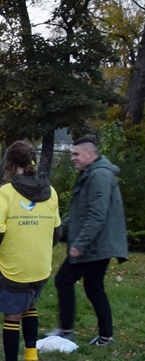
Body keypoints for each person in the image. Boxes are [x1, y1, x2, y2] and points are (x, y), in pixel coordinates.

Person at [0, 141, 61, 361]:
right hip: (40, 266)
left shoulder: (7, 192)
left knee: (12, 314)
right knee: (30, 305)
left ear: (10, 164)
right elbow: (58, 232)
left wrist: (0, 248)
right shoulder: (51, 191)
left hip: (14, 266)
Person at [49, 137, 128, 346]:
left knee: (63, 280)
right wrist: (57, 230)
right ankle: (105, 336)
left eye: (76, 154)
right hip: (99, 245)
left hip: (95, 246)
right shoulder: (89, 174)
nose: (72, 158)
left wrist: (79, 244)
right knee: (94, 287)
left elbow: (97, 215)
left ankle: (66, 331)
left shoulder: (99, 175)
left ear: (90, 154)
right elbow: (79, 213)